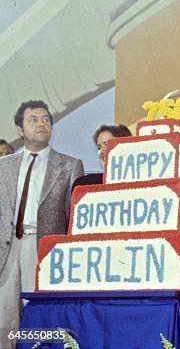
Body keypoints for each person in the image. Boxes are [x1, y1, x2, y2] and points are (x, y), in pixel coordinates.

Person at [0, 100, 84, 348]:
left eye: (46, 119)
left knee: (38, 318)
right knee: (4, 318)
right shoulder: (3, 166)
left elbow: (74, 216)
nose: (41, 124)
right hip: (7, 248)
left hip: (44, 248)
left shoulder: (69, 165)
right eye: (34, 119)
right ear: (19, 129)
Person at [72, 124, 133, 190]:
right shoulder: (85, 184)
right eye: (99, 147)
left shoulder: (142, 180)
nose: (101, 152)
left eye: (106, 144)